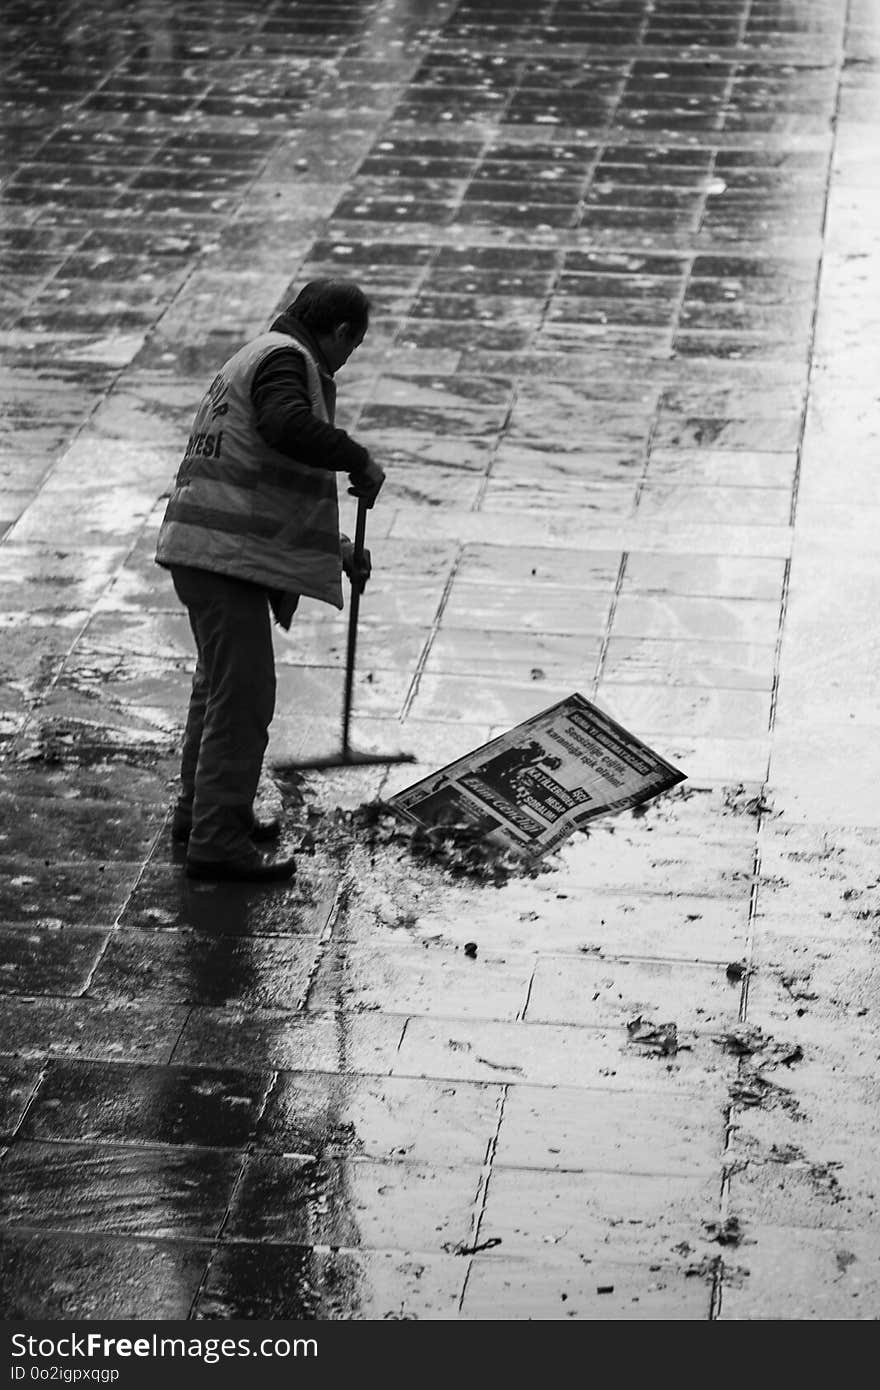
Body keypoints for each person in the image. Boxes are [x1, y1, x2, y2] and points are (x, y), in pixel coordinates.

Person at [154, 279, 385, 883]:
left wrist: (335, 549)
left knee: (219, 690)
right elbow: (288, 429)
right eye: (351, 348)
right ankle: (218, 839)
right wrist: (358, 458)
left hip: (207, 549)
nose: (344, 361)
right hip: (218, 557)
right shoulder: (287, 361)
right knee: (244, 698)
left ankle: (200, 815)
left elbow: (263, 481)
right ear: (339, 333)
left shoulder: (260, 355)